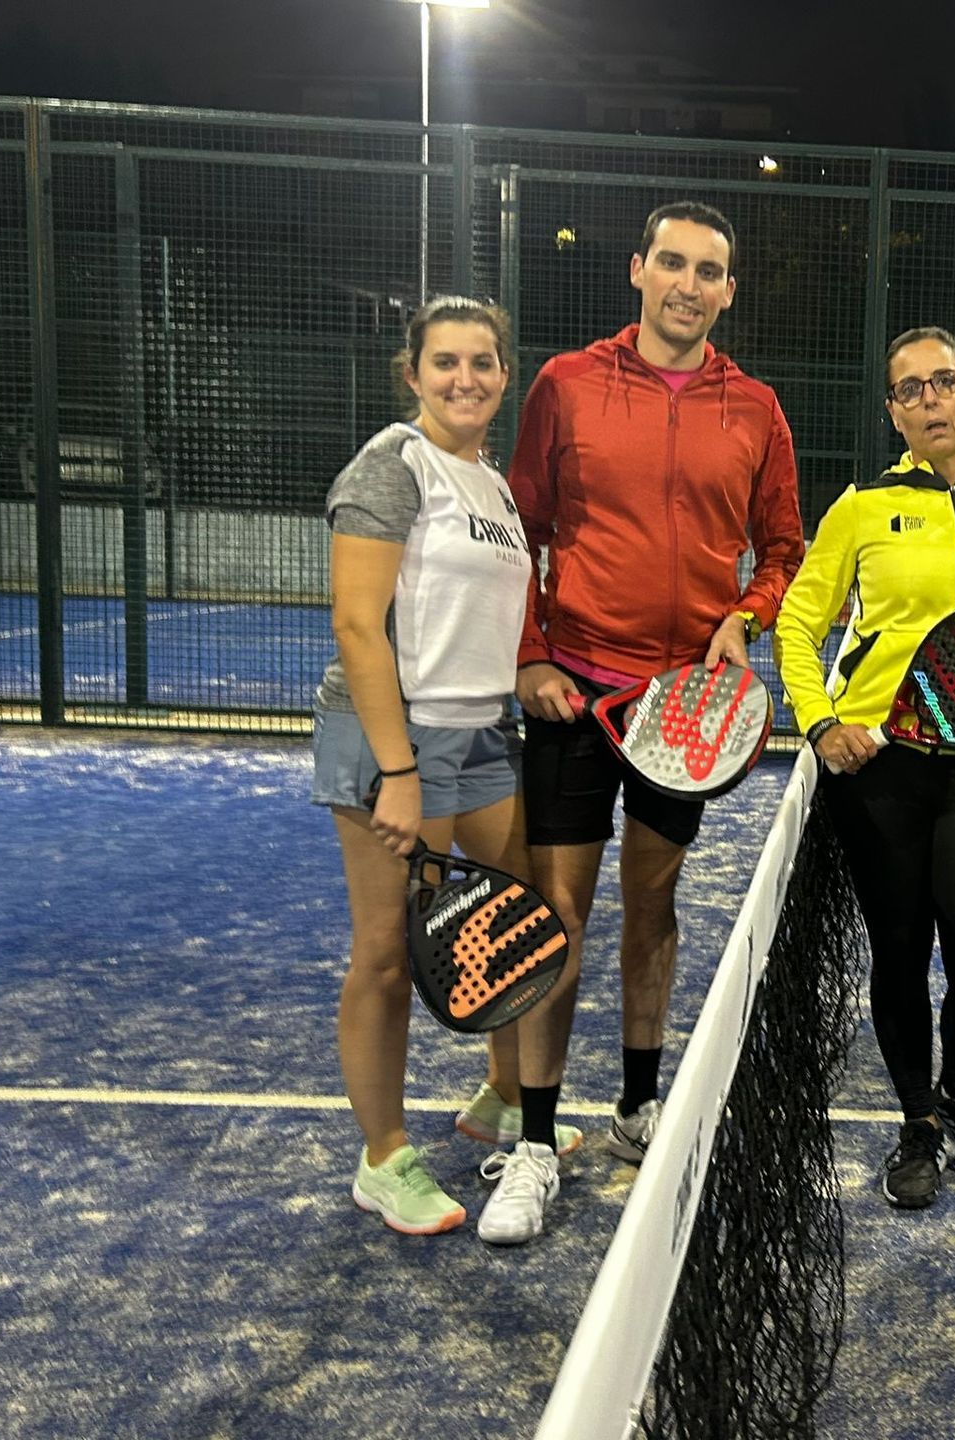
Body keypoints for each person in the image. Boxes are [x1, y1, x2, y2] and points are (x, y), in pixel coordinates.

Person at [461, 201, 805, 1241]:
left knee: (652, 906)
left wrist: (747, 620)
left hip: (682, 712)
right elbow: (519, 531)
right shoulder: (566, 384)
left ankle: (637, 1105)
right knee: (557, 916)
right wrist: (526, 653)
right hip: (572, 691)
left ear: (728, 292)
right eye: (673, 264)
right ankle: (532, 1145)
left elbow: (781, 547)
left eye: (710, 270)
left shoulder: (756, 409)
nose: (689, 284)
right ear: (638, 272)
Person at [775, 327, 955, 1209]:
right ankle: (916, 1121)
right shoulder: (861, 507)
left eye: (945, 382)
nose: (931, 400)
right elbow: (798, 624)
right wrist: (822, 723)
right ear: (893, 411)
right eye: (911, 390)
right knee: (900, 953)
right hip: (882, 772)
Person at [312, 294, 548, 1238]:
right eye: (445, 362)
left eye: (483, 362)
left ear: (504, 374)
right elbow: (356, 626)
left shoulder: (492, 483)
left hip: (484, 734)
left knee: (500, 917)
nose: (466, 378)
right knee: (388, 952)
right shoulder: (391, 465)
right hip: (392, 738)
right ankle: (383, 1158)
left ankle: (500, 1098)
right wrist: (399, 771)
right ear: (412, 373)